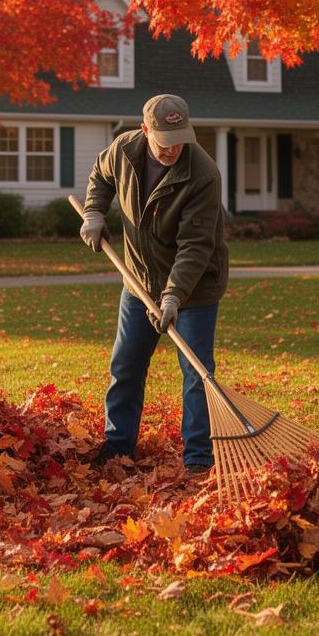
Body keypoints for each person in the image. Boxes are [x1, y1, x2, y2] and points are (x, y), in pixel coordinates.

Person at [80, 93, 228, 474]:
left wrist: (174, 296)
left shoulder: (203, 174)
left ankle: (198, 460)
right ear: (145, 130)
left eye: (179, 139)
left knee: (196, 373)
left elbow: (195, 246)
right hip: (139, 281)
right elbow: (101, 173)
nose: (173, 148)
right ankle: (118, 449)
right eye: (164, 141)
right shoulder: (124, 150)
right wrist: (94, 212)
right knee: (125, 365)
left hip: (194, 289)